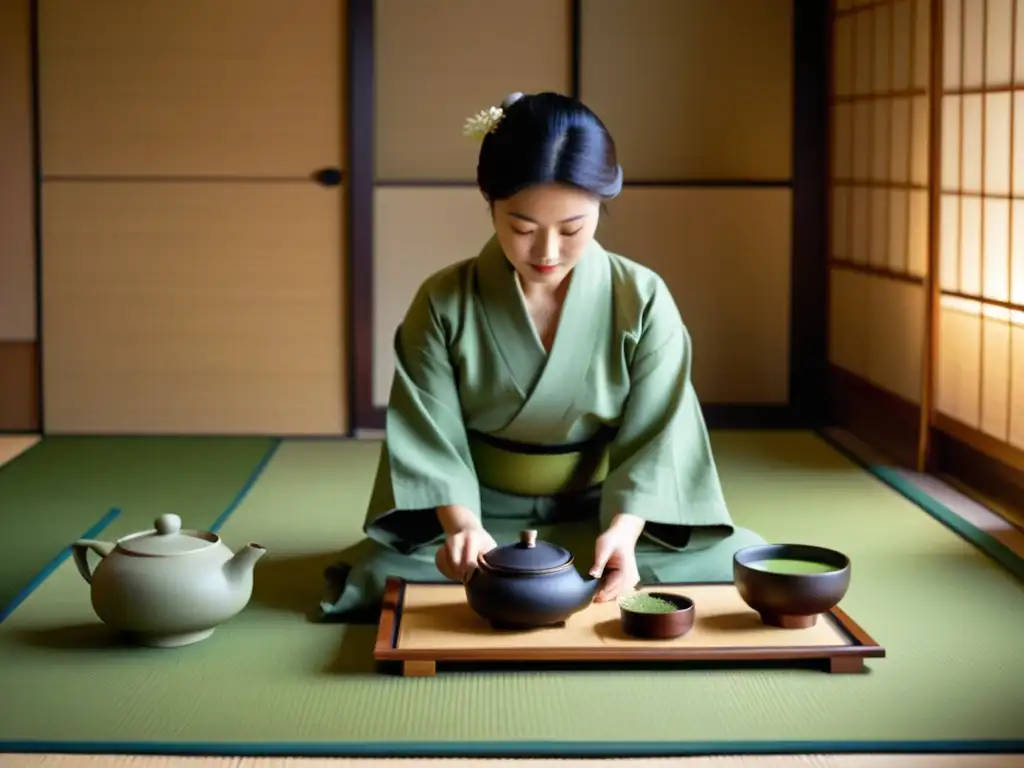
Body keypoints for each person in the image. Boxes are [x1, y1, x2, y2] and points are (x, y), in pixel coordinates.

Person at [319, 91, 766, 620]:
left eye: (572, 228)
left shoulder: (641, 296)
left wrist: (623, 533)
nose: (547, 252)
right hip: (484, 511)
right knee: (377, 571)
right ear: (490, 205)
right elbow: (428, 435)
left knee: (739, 557)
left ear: (602, 204)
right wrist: (463, 529)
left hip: (607, 510)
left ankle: (608, 554)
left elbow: (661, 434)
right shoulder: (444, 301)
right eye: (523, 228)